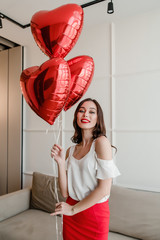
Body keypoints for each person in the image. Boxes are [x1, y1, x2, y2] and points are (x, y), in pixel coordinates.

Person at [50, 98, 120, 240]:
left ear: (97, 119)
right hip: (71, 215)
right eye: (81, 111)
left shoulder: (101, 143)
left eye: (91, 112)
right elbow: (65, 192)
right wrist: (60, 163)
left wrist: (73, 209)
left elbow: (104, 189)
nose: (85, 114)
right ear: (76, 117)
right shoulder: (71, 150)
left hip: (93, 214)